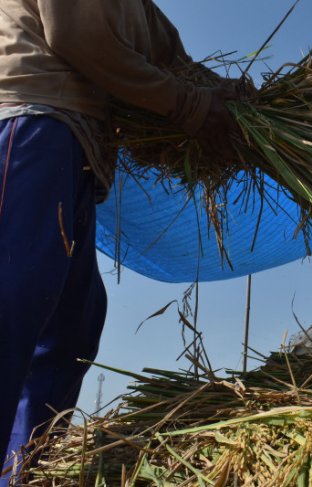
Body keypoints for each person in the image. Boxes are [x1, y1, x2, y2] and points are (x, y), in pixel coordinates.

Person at [0, 1, 241, 481]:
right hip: (29, 122)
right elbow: (77, 35)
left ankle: (22, 473)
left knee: (72, 328)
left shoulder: (142, 13)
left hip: (74, 147)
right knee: (12, 306)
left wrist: (236, 99)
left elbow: (176, 65)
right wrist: (189, 106)